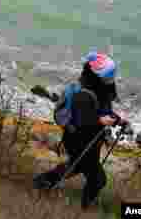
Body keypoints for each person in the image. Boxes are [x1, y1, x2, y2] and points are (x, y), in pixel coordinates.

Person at [33, 51, 126, 208]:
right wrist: (101, 121)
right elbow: (82, 120)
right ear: (97, 76)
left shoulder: (98, 89)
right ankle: (85, 207)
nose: (111, 80)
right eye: (108, 77)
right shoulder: (84, 94)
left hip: (89, 140)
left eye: (112, 76)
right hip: (78, 140)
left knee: (76, 166)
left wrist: (116, 119)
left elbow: (101, 110)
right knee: (98, 179)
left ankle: (42, 182)